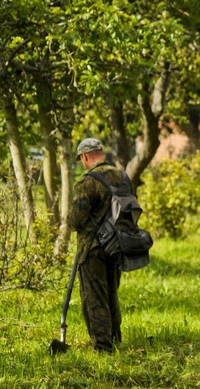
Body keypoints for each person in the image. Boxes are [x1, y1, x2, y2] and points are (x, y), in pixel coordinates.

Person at [67, 138, 124, 352]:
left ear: (85, 156)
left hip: (93, 248)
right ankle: (115, 339)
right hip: (118, 245)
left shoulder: (87, 182)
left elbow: (75, 221)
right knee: (111, 293)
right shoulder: (122, 177)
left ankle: (103, 347)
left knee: (95, 297)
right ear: (101, 152)